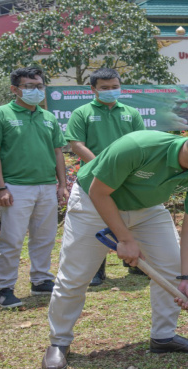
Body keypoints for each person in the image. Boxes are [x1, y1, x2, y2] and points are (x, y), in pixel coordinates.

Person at [41, 122, 188, 369]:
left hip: (146, 208)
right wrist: (125, 239)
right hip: (93, 203)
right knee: (75, 276)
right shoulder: (138, 147)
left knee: (172, 267)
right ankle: (59, 342)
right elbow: (99, 193)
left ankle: (163, 337)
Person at [0, 67, 68, 308]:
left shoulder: (48, 117)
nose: (36, 90)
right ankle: (4, 288)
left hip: (47, 187)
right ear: (14, 89)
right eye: (29, 86)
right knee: (12, 239)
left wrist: (62, 184)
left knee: (45, 237)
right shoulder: (0, 114)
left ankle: (40, 280)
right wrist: (0, 187)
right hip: (15, 187)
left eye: (39, 86)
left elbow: (58, 152)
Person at [65, 68, 145, 286]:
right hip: (94, 179)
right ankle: (96, 270)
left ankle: (134, 263)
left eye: (115, 87)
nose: (111, 91)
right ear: (93, 89)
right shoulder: (82, 113)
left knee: (129, 219)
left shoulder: (131, 113)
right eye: (105, 88)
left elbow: (140, 143)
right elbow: (76, 144)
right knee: (97, 223)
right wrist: (103, 168)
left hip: (127, 179)